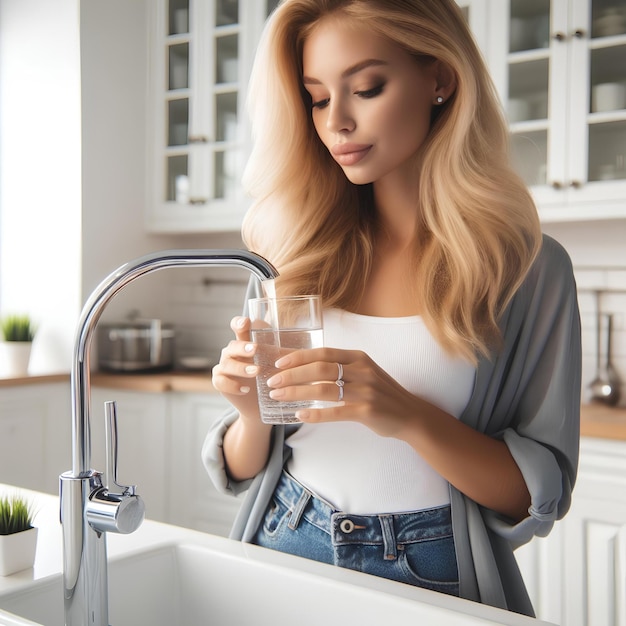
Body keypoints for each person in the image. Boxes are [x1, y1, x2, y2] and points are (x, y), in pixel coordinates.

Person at [202, 0, 581, 617]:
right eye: (319, 99)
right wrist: (251, 415)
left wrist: (403, 412)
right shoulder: (291, 253)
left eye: (367, 88)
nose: (337, 123)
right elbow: (248, 465)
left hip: (432, 570)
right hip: (284, 539)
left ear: (440, 78)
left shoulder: (528, 271)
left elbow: (532, 499)